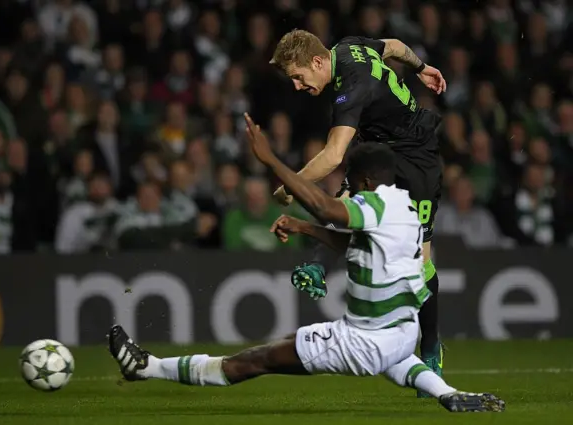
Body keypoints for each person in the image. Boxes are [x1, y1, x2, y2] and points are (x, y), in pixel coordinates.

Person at [107, 114, 505, 414]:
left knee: (255, 360)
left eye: (350, 180)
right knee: (393, 358)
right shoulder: (404, 207)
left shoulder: (373, 205)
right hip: (400, 332)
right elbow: (352, 241)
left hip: (361, 341)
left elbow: (323, 205)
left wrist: (271, 161)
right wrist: (304, 228)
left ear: (364, 180)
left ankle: (147, 368)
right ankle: (448, 394)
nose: (347, 188)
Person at [268, 30, 447, 394]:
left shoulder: (352, 85)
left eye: (299, 78)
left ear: (318, 63)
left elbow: (333, 155)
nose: (298, 87)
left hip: (415, 156)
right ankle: (318, 266)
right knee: (345, 206)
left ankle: (430, 346)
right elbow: (395, 46)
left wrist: (290, 185)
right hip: (378, 151)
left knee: (420, 262)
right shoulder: (350, 47)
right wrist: (422, 67)